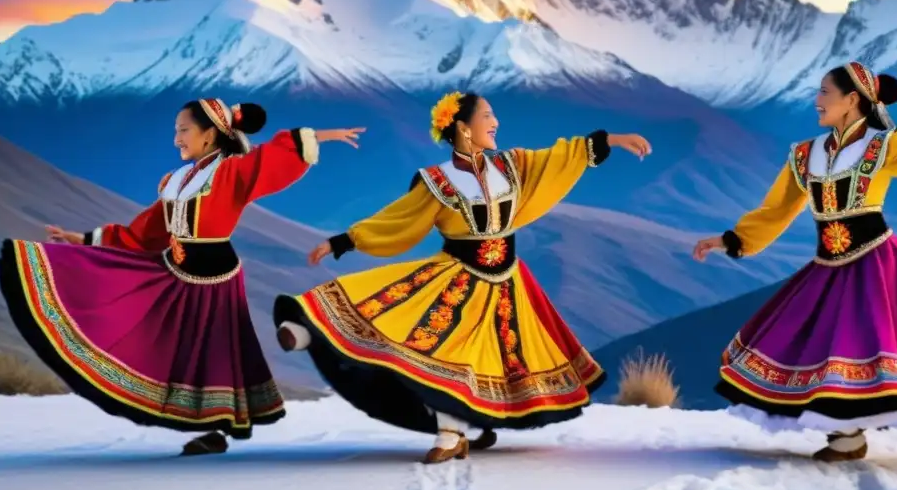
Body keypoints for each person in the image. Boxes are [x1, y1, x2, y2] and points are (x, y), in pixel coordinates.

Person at [274, 91, 652, 464]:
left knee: (493, 366)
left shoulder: (512, 166)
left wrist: (613, 141)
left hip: (507, 283)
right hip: (458, 278)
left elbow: (561, 157)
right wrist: (343, 241)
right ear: (463, 128)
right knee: (433, 344)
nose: (495, 122)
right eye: (487, 116)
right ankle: (312, 328)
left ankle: (463, 428)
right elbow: (397, 219)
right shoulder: (436, 181)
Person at [0, 98, 365, 456]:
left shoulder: (231, 172)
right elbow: (147, 232)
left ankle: (217, 426)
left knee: (211, 351)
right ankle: (200, 422)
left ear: (209, 135)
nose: (177, 139)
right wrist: (84, 239)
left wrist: (321, 136)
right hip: (174, 268)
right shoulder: (176, 182)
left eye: (183, 130)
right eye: (176, 131)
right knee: (156, 338)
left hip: (214, 276)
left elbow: (271, 157)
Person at [692, 61, 897, 462]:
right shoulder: (804, 155)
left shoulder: (885, 145)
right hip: (827, 263)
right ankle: (845, 437)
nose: (817, 100)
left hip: (875, 262)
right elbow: (775, 210)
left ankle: (847, 437)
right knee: (823, 347)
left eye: (825, 92)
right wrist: (731, 239)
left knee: (861, 344)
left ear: (851, 100)